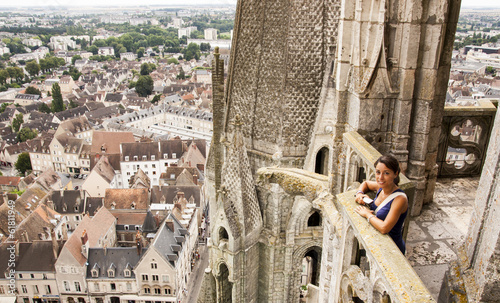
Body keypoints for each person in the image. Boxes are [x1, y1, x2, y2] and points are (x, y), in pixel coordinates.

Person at [354, 154, 408, 254]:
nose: (380, 177)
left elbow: (384, 228)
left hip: (393, 248)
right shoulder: (381, 187)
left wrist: (367, 214)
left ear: (395, 174)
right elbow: (365, 184)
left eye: (386, 173)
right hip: (380, 245)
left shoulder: (400, 199)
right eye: (378, 172)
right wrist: (359, 193)